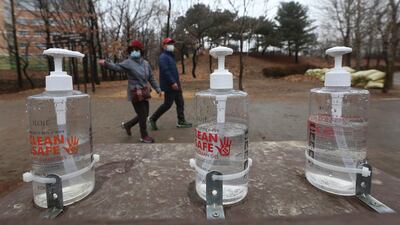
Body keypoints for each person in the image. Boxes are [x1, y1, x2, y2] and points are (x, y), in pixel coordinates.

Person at [98, 40, 162, 143]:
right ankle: (144, 136)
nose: (134, 52)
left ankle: (127, 125)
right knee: (142, 115)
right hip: (135, 93)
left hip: (144, 92)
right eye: (132, 50)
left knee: (144, 114)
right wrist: (106, 64)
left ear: (141, 51)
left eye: (136, 50)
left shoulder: (145, 63)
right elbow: (116, 67)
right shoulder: (128, 62)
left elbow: (151, 78)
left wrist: (158, 89)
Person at [148, 37, 192, 130]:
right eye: (169, 44)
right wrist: (172, 82)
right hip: (170, 86)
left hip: (176, 85)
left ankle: (181, 121)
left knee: (180, 103)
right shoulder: (163, 57)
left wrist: (177, 83)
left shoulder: (170, 56)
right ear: (164, 46)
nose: (171, 46)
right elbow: (165, 71)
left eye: (172, 44)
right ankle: (153, 118)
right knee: (167, 104)